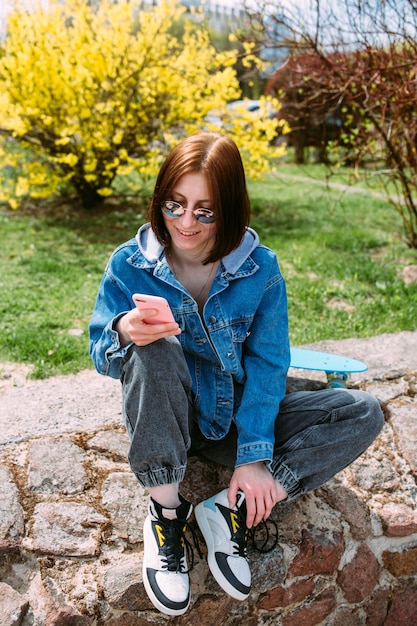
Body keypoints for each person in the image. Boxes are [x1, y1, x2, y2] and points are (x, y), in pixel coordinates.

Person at [89, 132, 384, 616]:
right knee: (152, 350)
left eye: (204, 211)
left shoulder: (260, 271)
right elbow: (100, 350)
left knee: (362, 410)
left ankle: (232, 509)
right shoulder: (130, 264)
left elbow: (270, 365)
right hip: (170, 418)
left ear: (229, 210)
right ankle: (165, 515)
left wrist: (254, 457)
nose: (185, 223)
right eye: (174, 204)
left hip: (235, 417)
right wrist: (125, 327)